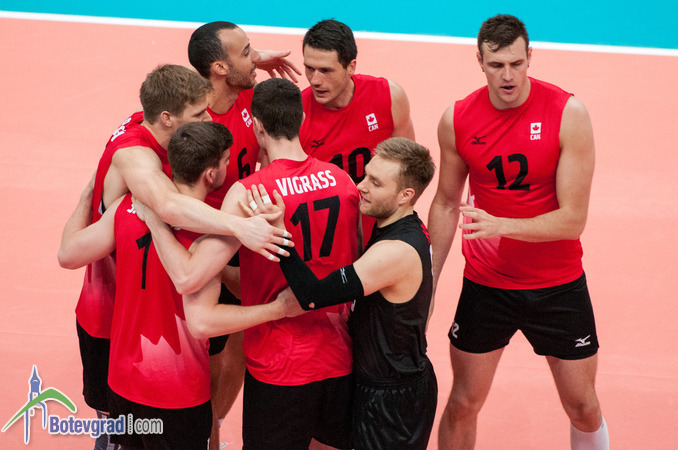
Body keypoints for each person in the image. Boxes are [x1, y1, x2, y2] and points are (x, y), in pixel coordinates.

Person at [67, 64, 288, 450]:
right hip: (159, 374)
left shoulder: (127, 201)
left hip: (124, 352)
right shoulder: (154, 181)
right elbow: (177, 238)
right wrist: (240, 229)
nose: (209, 118)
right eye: (200, 113)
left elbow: (67, 254)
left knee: (117, 434)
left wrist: (88, 193)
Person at [135, 78, 360, 449]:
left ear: (257, 125)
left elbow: (193, 275)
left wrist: (156, 219)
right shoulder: (344, 181)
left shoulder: (251, 192)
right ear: (302, 119)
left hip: (279, 364)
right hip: (338, 355)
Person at [427, 14, 609, 449]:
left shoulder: (567, 114)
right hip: (487, 286)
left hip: (557, 285)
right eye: (496, 65)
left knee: (583, 406)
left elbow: (573, 219)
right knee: (463, 402)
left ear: (530, 56)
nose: (507, 76)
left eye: (515, 63)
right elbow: (447, 202)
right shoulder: (458, 119)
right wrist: (427, 281)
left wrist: (502, 225)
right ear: (479, 61)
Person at [272, 137, 437, 449]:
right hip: (380, 380)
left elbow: (312, 295)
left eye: (375, 183)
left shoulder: (395, 251)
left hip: (391, 400)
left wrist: (278, 233)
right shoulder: (402, 225)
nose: (361, 186)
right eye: (366, 176)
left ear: (406, 195)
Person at [188, 21, 302, 448]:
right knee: (203, 355)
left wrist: (254, 61)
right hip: (201, 243)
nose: (257, 57)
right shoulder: (190, 118)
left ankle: (212, 426)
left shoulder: (251, 100)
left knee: (237, 343)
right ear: (219, 68)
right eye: (247, 51)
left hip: (245, 237)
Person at [299, 18, 415, 242]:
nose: (315, 80)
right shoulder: (298, 116)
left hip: (382, 232)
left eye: (326, 70)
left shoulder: (389, 97)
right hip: (326, 239)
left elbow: (408, 172)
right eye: (309, 69)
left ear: (351, 66)